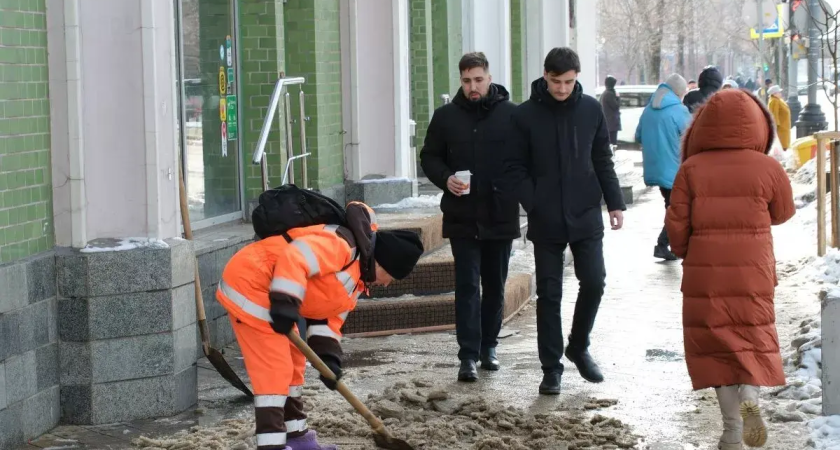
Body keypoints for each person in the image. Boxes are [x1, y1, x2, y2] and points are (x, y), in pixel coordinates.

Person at [217, 201, 424, 450]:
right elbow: (296, 256)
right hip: (252, 284)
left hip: (277, 296)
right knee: (274, 370)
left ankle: (297, 438)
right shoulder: (342, 246)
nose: (388, 284)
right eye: (391, 277)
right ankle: (271, 445)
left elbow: (328, 318)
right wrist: (285, 302)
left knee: (294, 365)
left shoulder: (358, 280)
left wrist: (329, 359)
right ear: (382, 264)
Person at [665, 89, 795, 450]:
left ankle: (732, 431)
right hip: (753, 271)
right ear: (758, 125)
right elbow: (783, 213)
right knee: (751, 340)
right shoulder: (767, 166)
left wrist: (687, 252)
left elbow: (676, 225)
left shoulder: (691, 169)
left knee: (718, 351)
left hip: (706, 275)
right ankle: (751, 395)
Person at [504, 47, 626, 395]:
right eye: (555, 81)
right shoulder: (524, 115)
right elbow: (513, 167)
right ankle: (551, 369)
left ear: (577, 77)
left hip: (586, 212)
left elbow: (602, 156)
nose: (561, 88)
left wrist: (614, 202)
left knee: (595, 281)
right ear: (545, 76)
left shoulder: (590, 108)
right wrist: (534, 200)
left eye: (568, 82)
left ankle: (579, 345)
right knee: (549, 294)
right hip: (546, 219)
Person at [420, 52, 520, 382]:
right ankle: (467, 355)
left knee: (495, 285)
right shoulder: (446, 117)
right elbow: (430, 156)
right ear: (460, 80)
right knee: (466, 286)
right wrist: (446, 177)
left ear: (489, 77)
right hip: (462, 214)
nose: (472, 87)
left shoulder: (511, 115)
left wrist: (512, 189)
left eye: (478, 80)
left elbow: (526, 161)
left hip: (499, 214)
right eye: (466, 81)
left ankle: (489, 346)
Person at [635, 74, 692, 261]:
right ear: (679, 93)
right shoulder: (679, 110)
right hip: (674, 168)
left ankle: (668, 244)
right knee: (677, 208)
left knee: (672, 206)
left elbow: (638, 136)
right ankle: (664, 244)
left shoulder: (648, 110)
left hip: (656, 168)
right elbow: (692, 137)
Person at [599, 75, 622, 146]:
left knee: (610, 142)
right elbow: (616, 106)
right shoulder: (609, 94)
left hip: (608, 122)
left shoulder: (605, 93)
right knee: (612, 142)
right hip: (611, 123)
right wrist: (618, 97)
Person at [767, 85, 791, 149]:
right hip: (781, 129)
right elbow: (774, 115)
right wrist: (775, 127)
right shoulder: (775, 101)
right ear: (774, 94)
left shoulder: (778, 100)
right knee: (782, 146)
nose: (780, 93)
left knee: (784, 145)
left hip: (783, 127)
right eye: (779, 92)